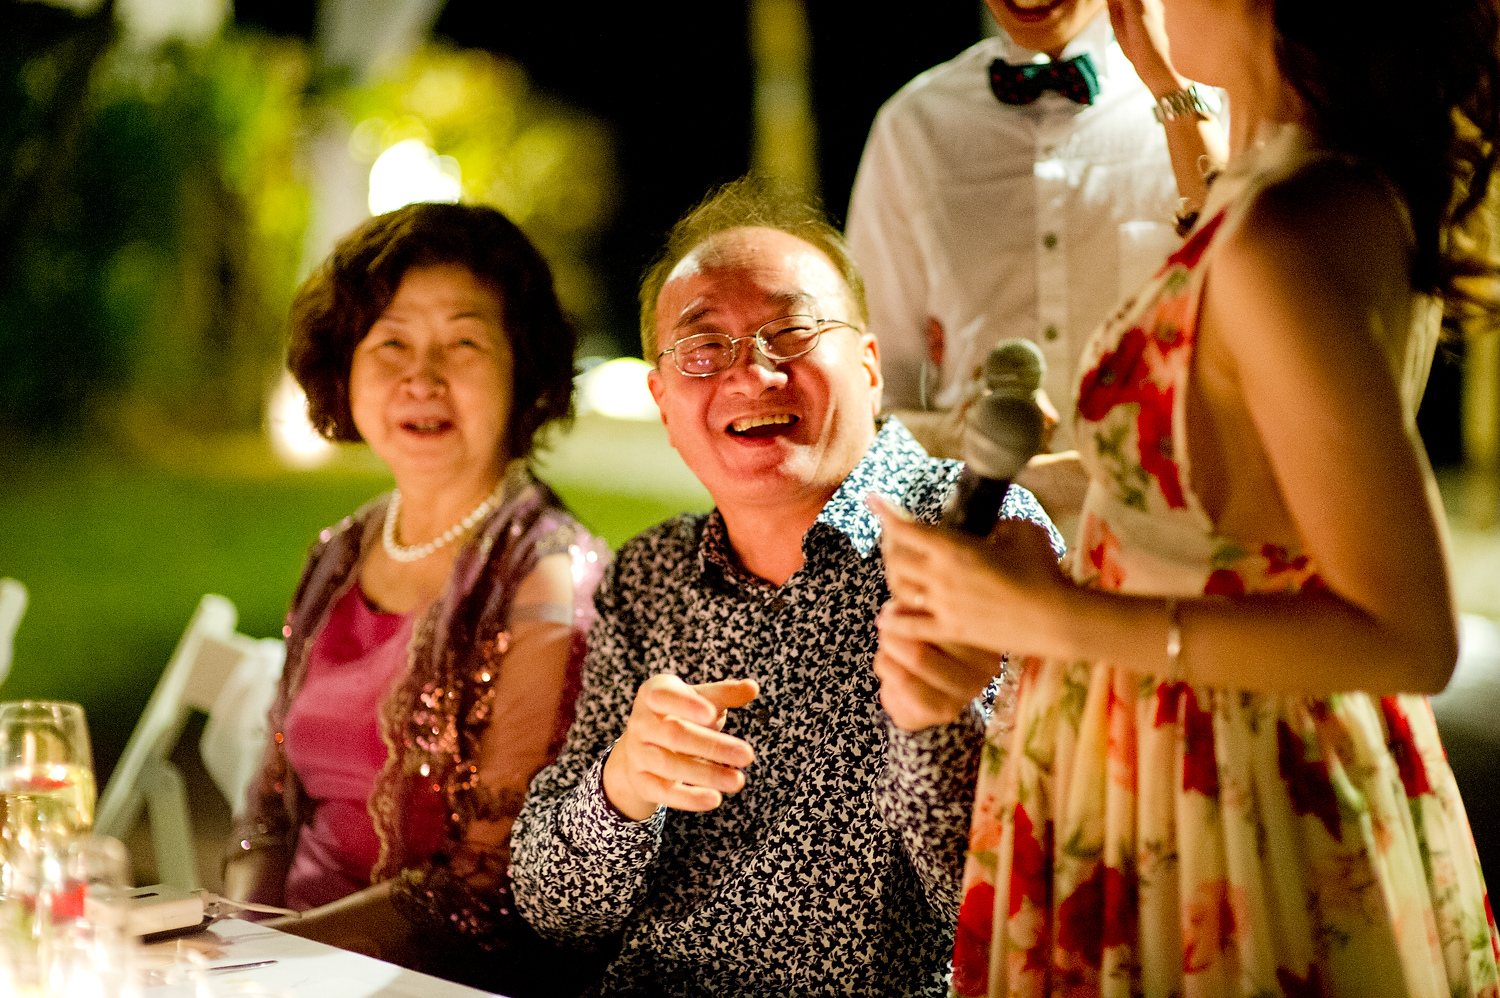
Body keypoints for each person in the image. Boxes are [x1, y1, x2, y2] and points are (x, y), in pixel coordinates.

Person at [871, 0, 1500, 993]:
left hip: (1225, 790)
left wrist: (1049, 617)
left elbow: (1410, 634)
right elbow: (1223, 486)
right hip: (1185, 747)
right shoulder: (1311, 186)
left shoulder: (1283, 233)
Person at [509, 177, 1063, 996]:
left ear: (869, 368)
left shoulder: (977, 532)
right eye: (705, 348)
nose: (752, 374)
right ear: (663, 403)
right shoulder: (650, 575)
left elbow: (1020, 905)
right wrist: (621, 787)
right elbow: (551, 911)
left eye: (792, 331)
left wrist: (937, 727)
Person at [224, 202, 610, 996]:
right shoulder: (342, 552)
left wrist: (265, 961)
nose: (422, 378)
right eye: (390, 342)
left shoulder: (548, 576)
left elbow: (483, 887)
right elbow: (268, 809)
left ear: (523, 367)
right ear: (346, 365)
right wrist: (232, 941)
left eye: (463, 343)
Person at [847, 0, 1227, 521]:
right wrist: (953, 436)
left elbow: (1248, 276)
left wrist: (1170, 87)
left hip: (1167, 518)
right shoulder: (913, 127)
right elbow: (877, 383)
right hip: (983, 525)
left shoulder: (1205, 107)